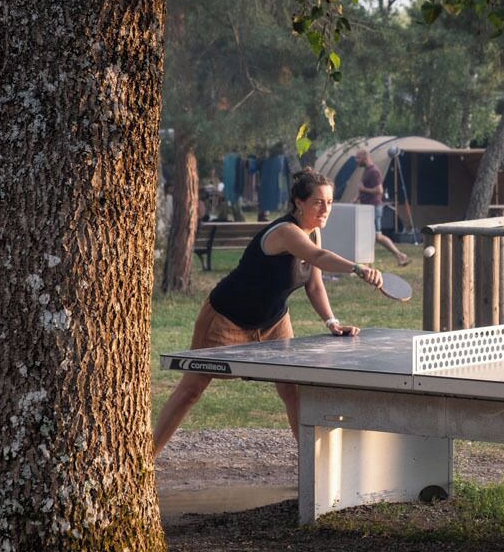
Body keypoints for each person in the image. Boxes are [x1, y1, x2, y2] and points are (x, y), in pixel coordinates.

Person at [152, 168, 383, 458]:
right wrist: (359, 268)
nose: (326, 209)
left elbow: (314, 281)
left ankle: (312, 467)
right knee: (191, 390)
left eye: (330, 202)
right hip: (226, 316)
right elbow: (318, 259)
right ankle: (146, 458)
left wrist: (331, 321)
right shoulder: (286, 232)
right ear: (299, 203)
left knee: (293, 389)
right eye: (318, 202)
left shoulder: (315, 232)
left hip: (274, 321)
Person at [353, 148, 410, 266]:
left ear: (365, 157)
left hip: (374, 207)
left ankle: (400, 255)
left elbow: (379, 190)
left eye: (358, 158)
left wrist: (363, 190)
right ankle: (368, 262)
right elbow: (366, 187)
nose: (356, 160)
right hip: (367, 208)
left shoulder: (374, 171)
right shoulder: (367, 170)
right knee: (371, 235)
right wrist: (358, 197)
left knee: (376, 236)